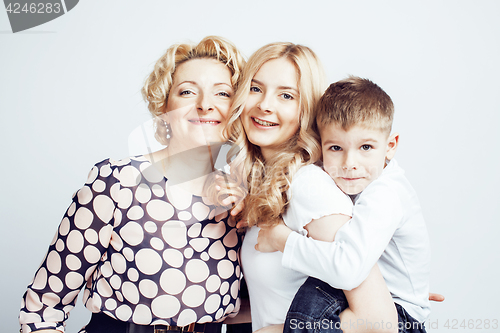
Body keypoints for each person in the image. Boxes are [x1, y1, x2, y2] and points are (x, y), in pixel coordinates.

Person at [19, 36, 246, 333]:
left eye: (223, 93)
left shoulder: (241, 198)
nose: (205, 105)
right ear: (164, 105)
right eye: (188, 91)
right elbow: (42, 310)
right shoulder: (117, 182)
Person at [220, 43, 398, 333]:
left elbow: (379, 322)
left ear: (306, 109)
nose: (265, 104)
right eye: (255, 88)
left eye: (286, 95)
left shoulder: (308, 185)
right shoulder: (270, 183)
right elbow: (280, 299)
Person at [256, 77, 431, 332]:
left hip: (401, 317)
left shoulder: (386, 194)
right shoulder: (359, 182)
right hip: (383, 301)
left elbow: (348, 270)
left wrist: (281, 240)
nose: (350, 163)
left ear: (390, 146)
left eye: (366, 147)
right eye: (336, 147)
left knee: (315, 293)